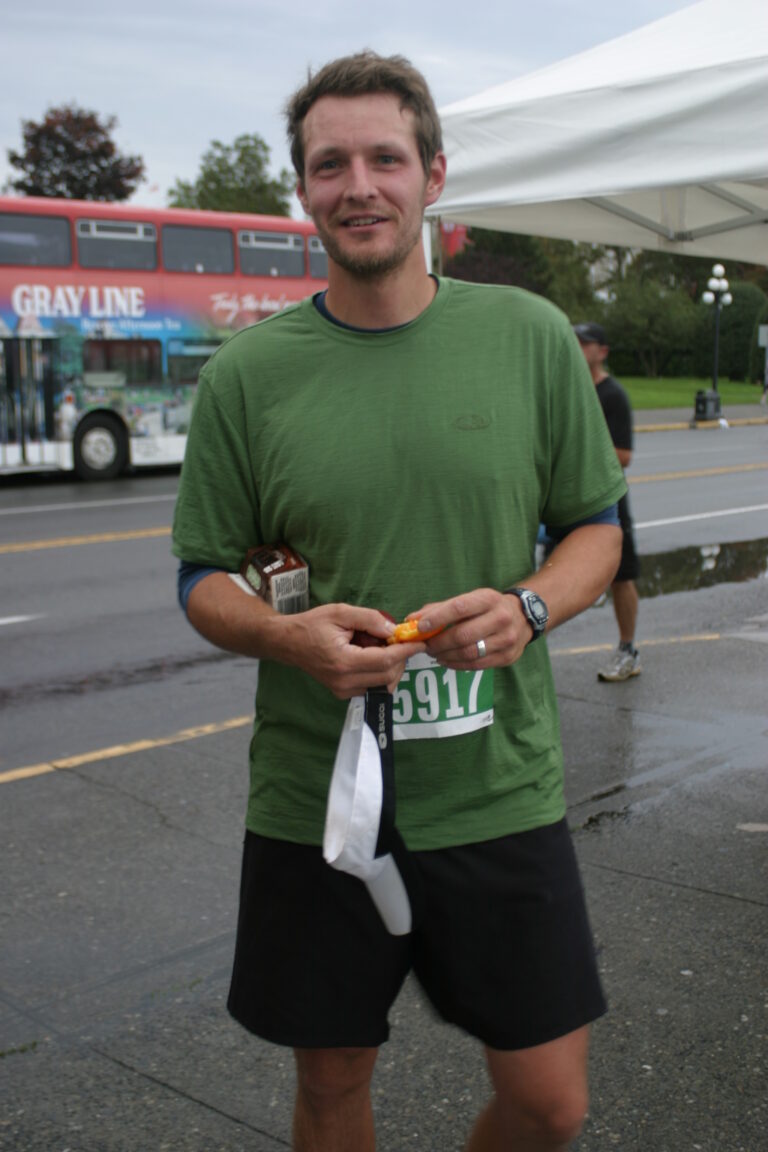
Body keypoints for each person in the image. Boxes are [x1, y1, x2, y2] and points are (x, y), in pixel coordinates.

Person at [173, 51, 626, 1152]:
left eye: (385, 158)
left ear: (432, 176)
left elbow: (596, 530)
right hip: (316, 805)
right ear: (303, 192)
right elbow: (201, 579)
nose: (359, 185)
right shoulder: (247, 377)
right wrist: (285, 632)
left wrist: (527, 605)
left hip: (496, 786)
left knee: (550, 1101)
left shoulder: (526, 337)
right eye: (331, 165)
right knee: (332, 1086)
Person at [573, 322, 642, 681]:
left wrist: (580, 448)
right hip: (569, 499)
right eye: (576, 341)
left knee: (622, 576)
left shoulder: (612, 395)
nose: (578, 346)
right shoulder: (572, 388)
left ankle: (628, 650)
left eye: (586, 342)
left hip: (608, 498)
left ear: (602, 351)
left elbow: (625, 455)